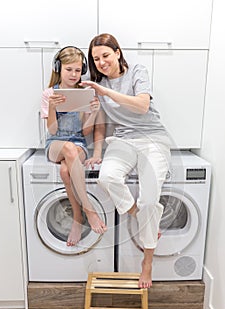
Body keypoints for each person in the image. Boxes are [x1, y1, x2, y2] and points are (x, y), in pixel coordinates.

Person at [81, 34, 171, 288]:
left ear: (118, 53)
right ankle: (139, 216)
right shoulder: (96, 85)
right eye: (96, 59)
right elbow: (97, 124)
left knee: (150, 200)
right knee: (107, 178)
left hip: (153, 138)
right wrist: (97, 151)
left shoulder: (137, 72)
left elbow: (142, 106)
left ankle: (147, 263)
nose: (101, 62)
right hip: (122, 141)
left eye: (105, 56)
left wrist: (104, 91)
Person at [41, 46, 107, 247]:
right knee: (68, 149)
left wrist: (93, 112)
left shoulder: (84, 94)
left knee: (65, 171)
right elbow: (52, 131)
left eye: (78, 70)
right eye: (69, 69)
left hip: (78, 143)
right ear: (59, 68)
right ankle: (89, 209)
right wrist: (52, 107)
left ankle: (77, 219)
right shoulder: (49, 93)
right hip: (55, 143)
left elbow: (85, 132)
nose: (73, 74)